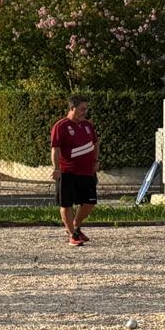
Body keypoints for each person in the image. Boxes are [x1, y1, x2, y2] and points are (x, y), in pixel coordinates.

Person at [51, 96, 99, 247]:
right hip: (67, 172)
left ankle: (74, 226)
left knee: (89, 202)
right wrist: (56, 168)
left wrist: (96, 162)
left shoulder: (87, 126)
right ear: (72, 108)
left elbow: (95, 144)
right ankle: (72, 234)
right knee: (66, 204)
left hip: (87, 171)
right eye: (82, 109)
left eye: (86, 109)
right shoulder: (61, 126)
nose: (85, 112)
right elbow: (55, 149)